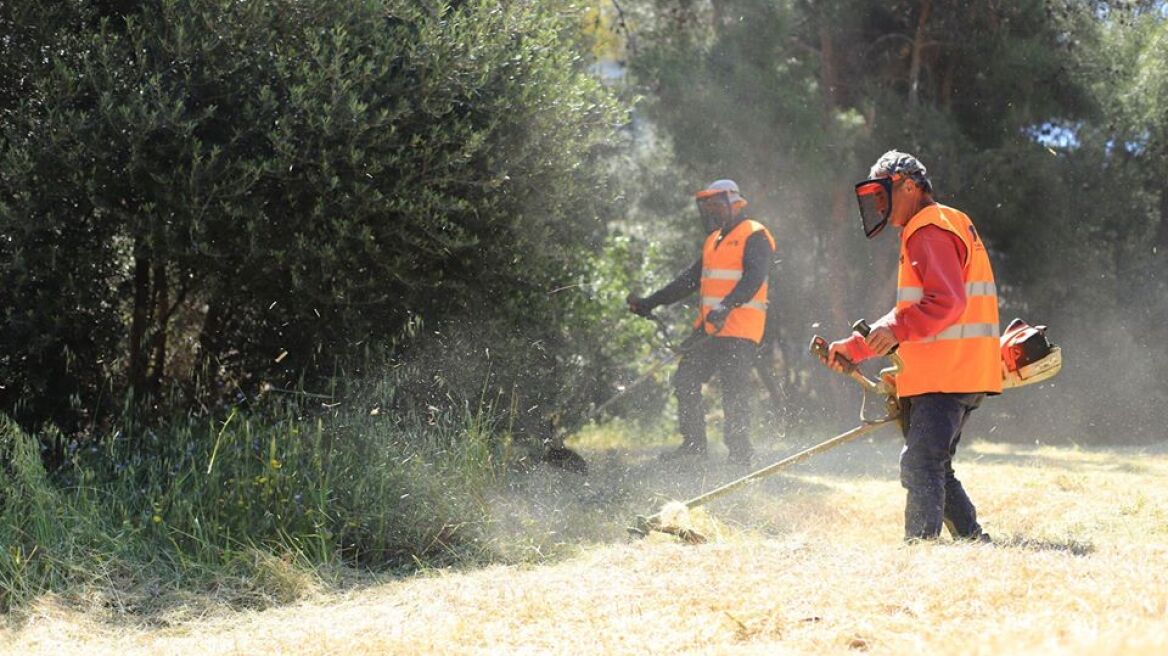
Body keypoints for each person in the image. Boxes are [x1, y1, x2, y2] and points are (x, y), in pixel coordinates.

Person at [827, 150, 1000, 542]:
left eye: (883, 194)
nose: (878, 204)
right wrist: (856, 348)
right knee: (936, 465)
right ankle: (974, 539)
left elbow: (945, 302)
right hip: (961, 371)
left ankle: (919, 551)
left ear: (909, 185)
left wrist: (896, 330)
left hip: (946, 374)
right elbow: (914, 312)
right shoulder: (950, 221)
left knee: (921, 464)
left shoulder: (928, 228)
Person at [628, 180, 776, 468]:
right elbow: (688, 281)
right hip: (710, 329)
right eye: (709, 208)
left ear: (736, 203)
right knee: (685, 379)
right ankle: (694, 445)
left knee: (734, 390)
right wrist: (650, 302)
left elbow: (754, 278)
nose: (713, 212)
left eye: (718, 206)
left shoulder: (755, 235)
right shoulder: (713, 241)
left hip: (741, 329)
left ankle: (740, 453)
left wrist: (726, 305)